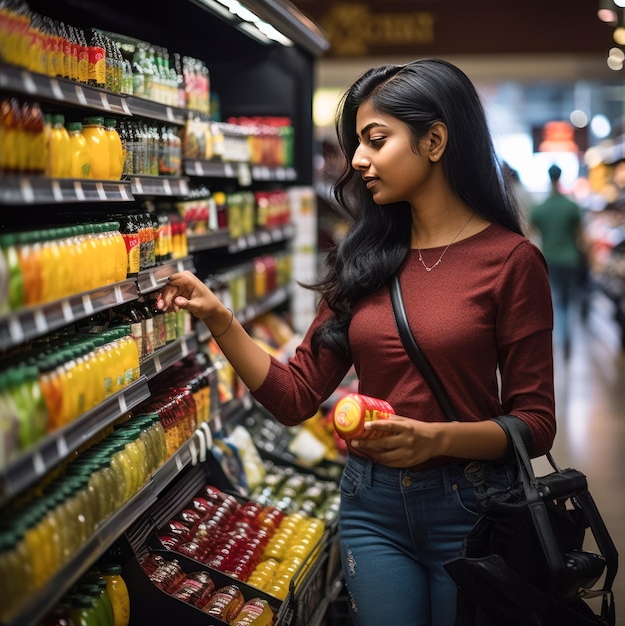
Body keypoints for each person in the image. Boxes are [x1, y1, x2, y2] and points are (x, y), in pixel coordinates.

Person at [156, 59, 556, 626]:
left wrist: (435, 439)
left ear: (435, 140)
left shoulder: (512, 262)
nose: (358, 160)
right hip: (371, 506)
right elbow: (295, 396)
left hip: (469, 509)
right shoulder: (363, 260)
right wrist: (220, 319)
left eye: (376, 139)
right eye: (356, 143)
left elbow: (536, 423)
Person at [529, 164, 585, 359]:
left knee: (556, 301)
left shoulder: (540, 209)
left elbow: (528, 234)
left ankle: (560, 336)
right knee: (570, 301)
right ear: (560, 177)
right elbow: (581, 238)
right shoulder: (571, 207)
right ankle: (567, 334)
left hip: (549, 261)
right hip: (570, 259)